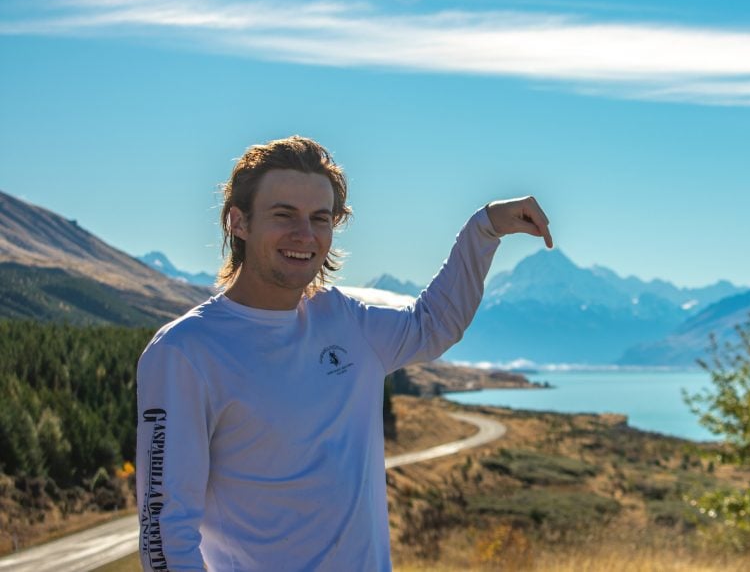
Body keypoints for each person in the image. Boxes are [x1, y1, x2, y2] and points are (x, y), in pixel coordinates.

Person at [135, 135, 552, 571]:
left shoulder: (347, 321)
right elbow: (165, 534)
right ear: (238, 222)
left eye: (320, 218)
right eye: (284, 215)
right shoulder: (184, 353)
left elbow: (435, 324)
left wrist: (483, 228)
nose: (305, 234)